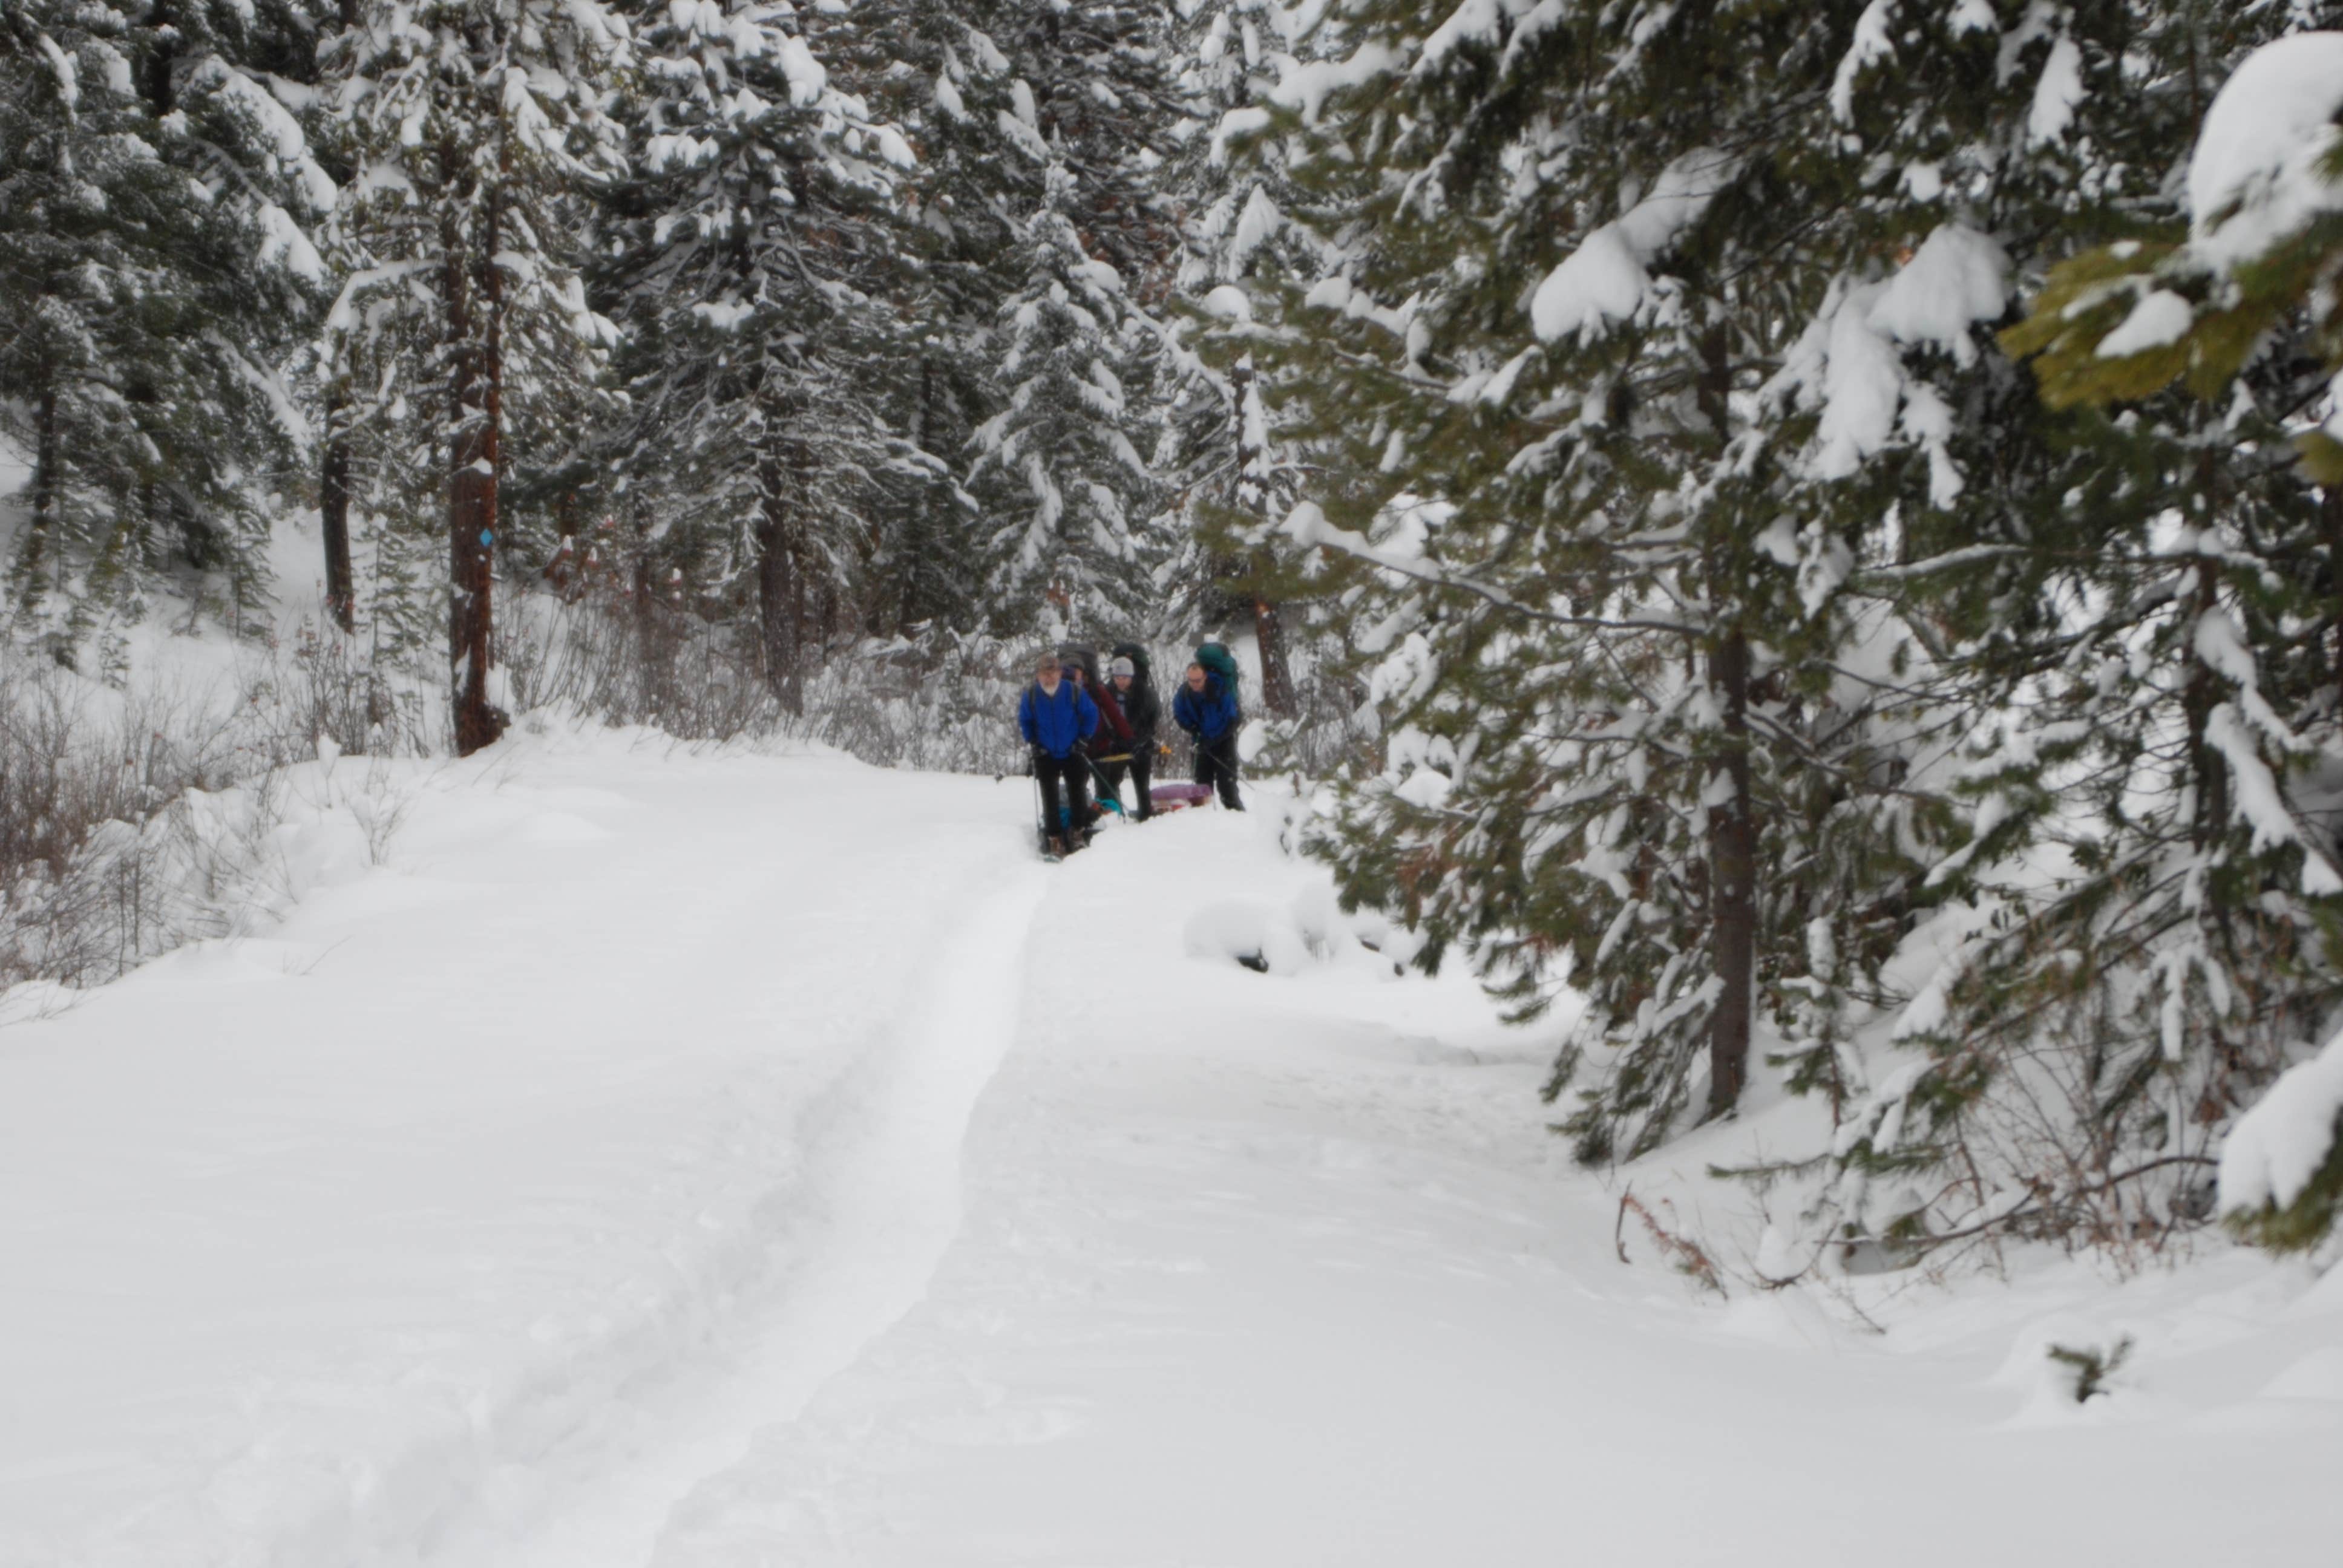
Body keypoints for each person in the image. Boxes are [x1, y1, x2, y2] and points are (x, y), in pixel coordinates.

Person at [1019, 651, 1099, 855]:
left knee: (1078, 794)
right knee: (1049, 798)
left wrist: (1084, 739)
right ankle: (1054, 838)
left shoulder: (1073, 691)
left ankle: (1077, 832)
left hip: (1073, 750)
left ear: (1060, 673)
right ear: (1038, 675)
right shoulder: (1031, 695)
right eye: (1045, 673)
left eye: (1053, 673)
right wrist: (1033, 741)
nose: (1050, 677)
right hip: (1046, 752)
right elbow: (1025, 720)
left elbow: (1091, 714)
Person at [1096, 652, 1159, 820]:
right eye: (1117, 678)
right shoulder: (1107, 692)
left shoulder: (1145, 694)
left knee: (1142, 783)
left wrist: (1141, 741)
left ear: (1131, 676)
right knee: (1112, 781)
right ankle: (1114, 813)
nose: (1121, 681)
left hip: (1141, 745)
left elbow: (1152, 720)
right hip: (1116, 745)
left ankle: (1145, 814)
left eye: (1124, 678)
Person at [1173, 659, 1242, 811]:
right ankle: (1204, 819)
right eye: (1191, 681)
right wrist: (1192, 728)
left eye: (1198, 681)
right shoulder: (1184, 693)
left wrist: (1216, 739)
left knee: (1227, 787)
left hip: (1223, 741)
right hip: (1200, 741)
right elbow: (1179, 714)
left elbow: (1234, 719)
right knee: (1202, 788)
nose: (1194, 684)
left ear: (1205, 676)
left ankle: (1237, 816)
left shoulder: (1220, 690)